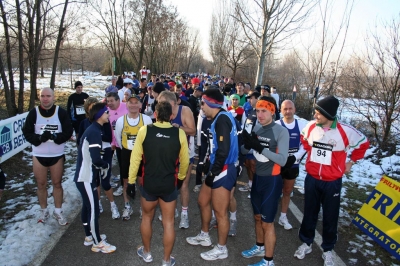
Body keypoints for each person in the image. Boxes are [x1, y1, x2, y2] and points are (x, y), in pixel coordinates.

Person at [294, 96, 369, 266]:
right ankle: (306, 243)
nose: (315, 115)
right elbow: (304, 139)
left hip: (332, 182)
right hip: (312, 178)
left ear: (328, 114)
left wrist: (351, 161)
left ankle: (328, 249)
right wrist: (310, 155)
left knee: (330, 216)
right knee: (309, 213)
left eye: (318, 112)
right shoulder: (311, 126)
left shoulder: (345, 130)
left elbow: (364, 144)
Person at [128, 101, 189, 266]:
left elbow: (135, 159)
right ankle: (166, 260)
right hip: (169, 184)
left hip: (149, 184)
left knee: (147, 218)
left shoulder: (144, 130)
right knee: (168, 222)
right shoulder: (179, 134)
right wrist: (181, 179)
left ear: (155, 114)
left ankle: (147, 253)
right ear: (171, 116)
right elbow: (185, 162)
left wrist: (131, 182)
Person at [186, 88, 238, 261]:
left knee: (220, 211)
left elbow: (223, 151)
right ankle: (205, 235)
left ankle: (222, 248)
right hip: (217, 167)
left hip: (223, 169)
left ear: (210, 103)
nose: (201, 107)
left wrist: (212, 172)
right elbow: (217, 148)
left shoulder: (222, 119)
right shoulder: (219, 117)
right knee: (202, 201)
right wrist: (208, 165)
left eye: (203, 103)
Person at [240, 96, 289, 266]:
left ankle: (269, 261)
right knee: (257, 217)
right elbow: (245, 149)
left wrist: (259, 147)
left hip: (272, 181)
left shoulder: (280, 131)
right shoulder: (258, 128)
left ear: (272, 112)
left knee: (268, 223)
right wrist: (247, 141)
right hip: (258, 179)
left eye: (264, 111)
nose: (259, 115)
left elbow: (282, 160)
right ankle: (260, 246)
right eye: (258, 111)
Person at [22, 88, 73, 224]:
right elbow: (26, 132)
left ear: (53, 97)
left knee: (57, 183)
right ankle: (44, 212)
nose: (45, 99)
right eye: (42, 96)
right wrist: (39, 138)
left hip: (57, 154)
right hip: (39, 154)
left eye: (48, 96)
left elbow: (68, 131)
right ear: (39, 97)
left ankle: (58, 212)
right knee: (41, 184)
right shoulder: (34, 113)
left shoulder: (61, 112)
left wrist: (56, 137)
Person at [74, 102, 116, 253]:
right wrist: (105, 165)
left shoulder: (94, 129)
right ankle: (98, 242)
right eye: (106, 112)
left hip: (85, 176)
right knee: (93, 209)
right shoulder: (94, 131)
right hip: (86, 177)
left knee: (87, 207)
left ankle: (89, 236)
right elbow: (96, 158)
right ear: (99, 115)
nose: (108, 115)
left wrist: (101, 163)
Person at [157, 91, 196, 229]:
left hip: (185, 153)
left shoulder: (184, 110)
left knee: (183, 185)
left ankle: (185, 214)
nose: (161, 106)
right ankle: (172, 209)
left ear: (173, 103)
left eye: (163, 104)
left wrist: (178, 128)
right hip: (169, 154)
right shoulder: (162, 112)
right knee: (168, 183)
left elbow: (193, 131)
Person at [77, 97, 120, 219]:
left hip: (104, 151)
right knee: (94, 181)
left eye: (95, 106)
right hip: (91, 155)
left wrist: (96, 138)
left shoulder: (104, 121)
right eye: (90, 106)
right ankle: (97, 204)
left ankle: (113, 205)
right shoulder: (84, 123)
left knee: (105, 182)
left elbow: (108, 137)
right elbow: (81, 140)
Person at [114, 94, 152, 220]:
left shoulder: (146, 120)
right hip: (126, 154)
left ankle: (143, 207)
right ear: (127, 104)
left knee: (142, 182)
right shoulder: (121, 120)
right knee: (126, 182)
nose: (134, 105)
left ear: (141, 105)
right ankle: (127, 206)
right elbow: (118, 138)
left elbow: (150, 137)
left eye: (136, 102)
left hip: (142, 155)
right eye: (131, 102)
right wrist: (127, 148)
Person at [275, 100, 308, 230]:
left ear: (294, 109)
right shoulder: (276, 125)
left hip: (293, 164)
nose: (288, 111)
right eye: (285, 109)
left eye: (290, 108)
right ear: (280, 110)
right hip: (277, 164)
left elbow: (305, 145)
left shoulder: (302, 125)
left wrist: (295, 157)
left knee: (287, 191)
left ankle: (283, 217)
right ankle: (270, 214)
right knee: (274, 190)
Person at [238, 91, 261, 198]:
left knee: (253, 166)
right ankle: (251, 184)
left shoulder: (261, 112)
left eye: (251, 98)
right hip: (247, 142)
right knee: (247, 164)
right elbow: (245, 125)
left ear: (257, 99)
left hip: (255, 144)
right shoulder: (250, 111)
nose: (249, 100)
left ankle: (256, 189)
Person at [106, 92, 128, 198]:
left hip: (127, 142)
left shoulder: (126, 108)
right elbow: (108, 129)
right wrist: (112, 142)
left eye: (111, 101)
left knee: (128, 164)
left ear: (118, 100)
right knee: (119, 164)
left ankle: (130, 184)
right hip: (114, 142)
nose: (109, 103)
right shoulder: (106, 111)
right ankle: (122, 184)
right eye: (108, 101)